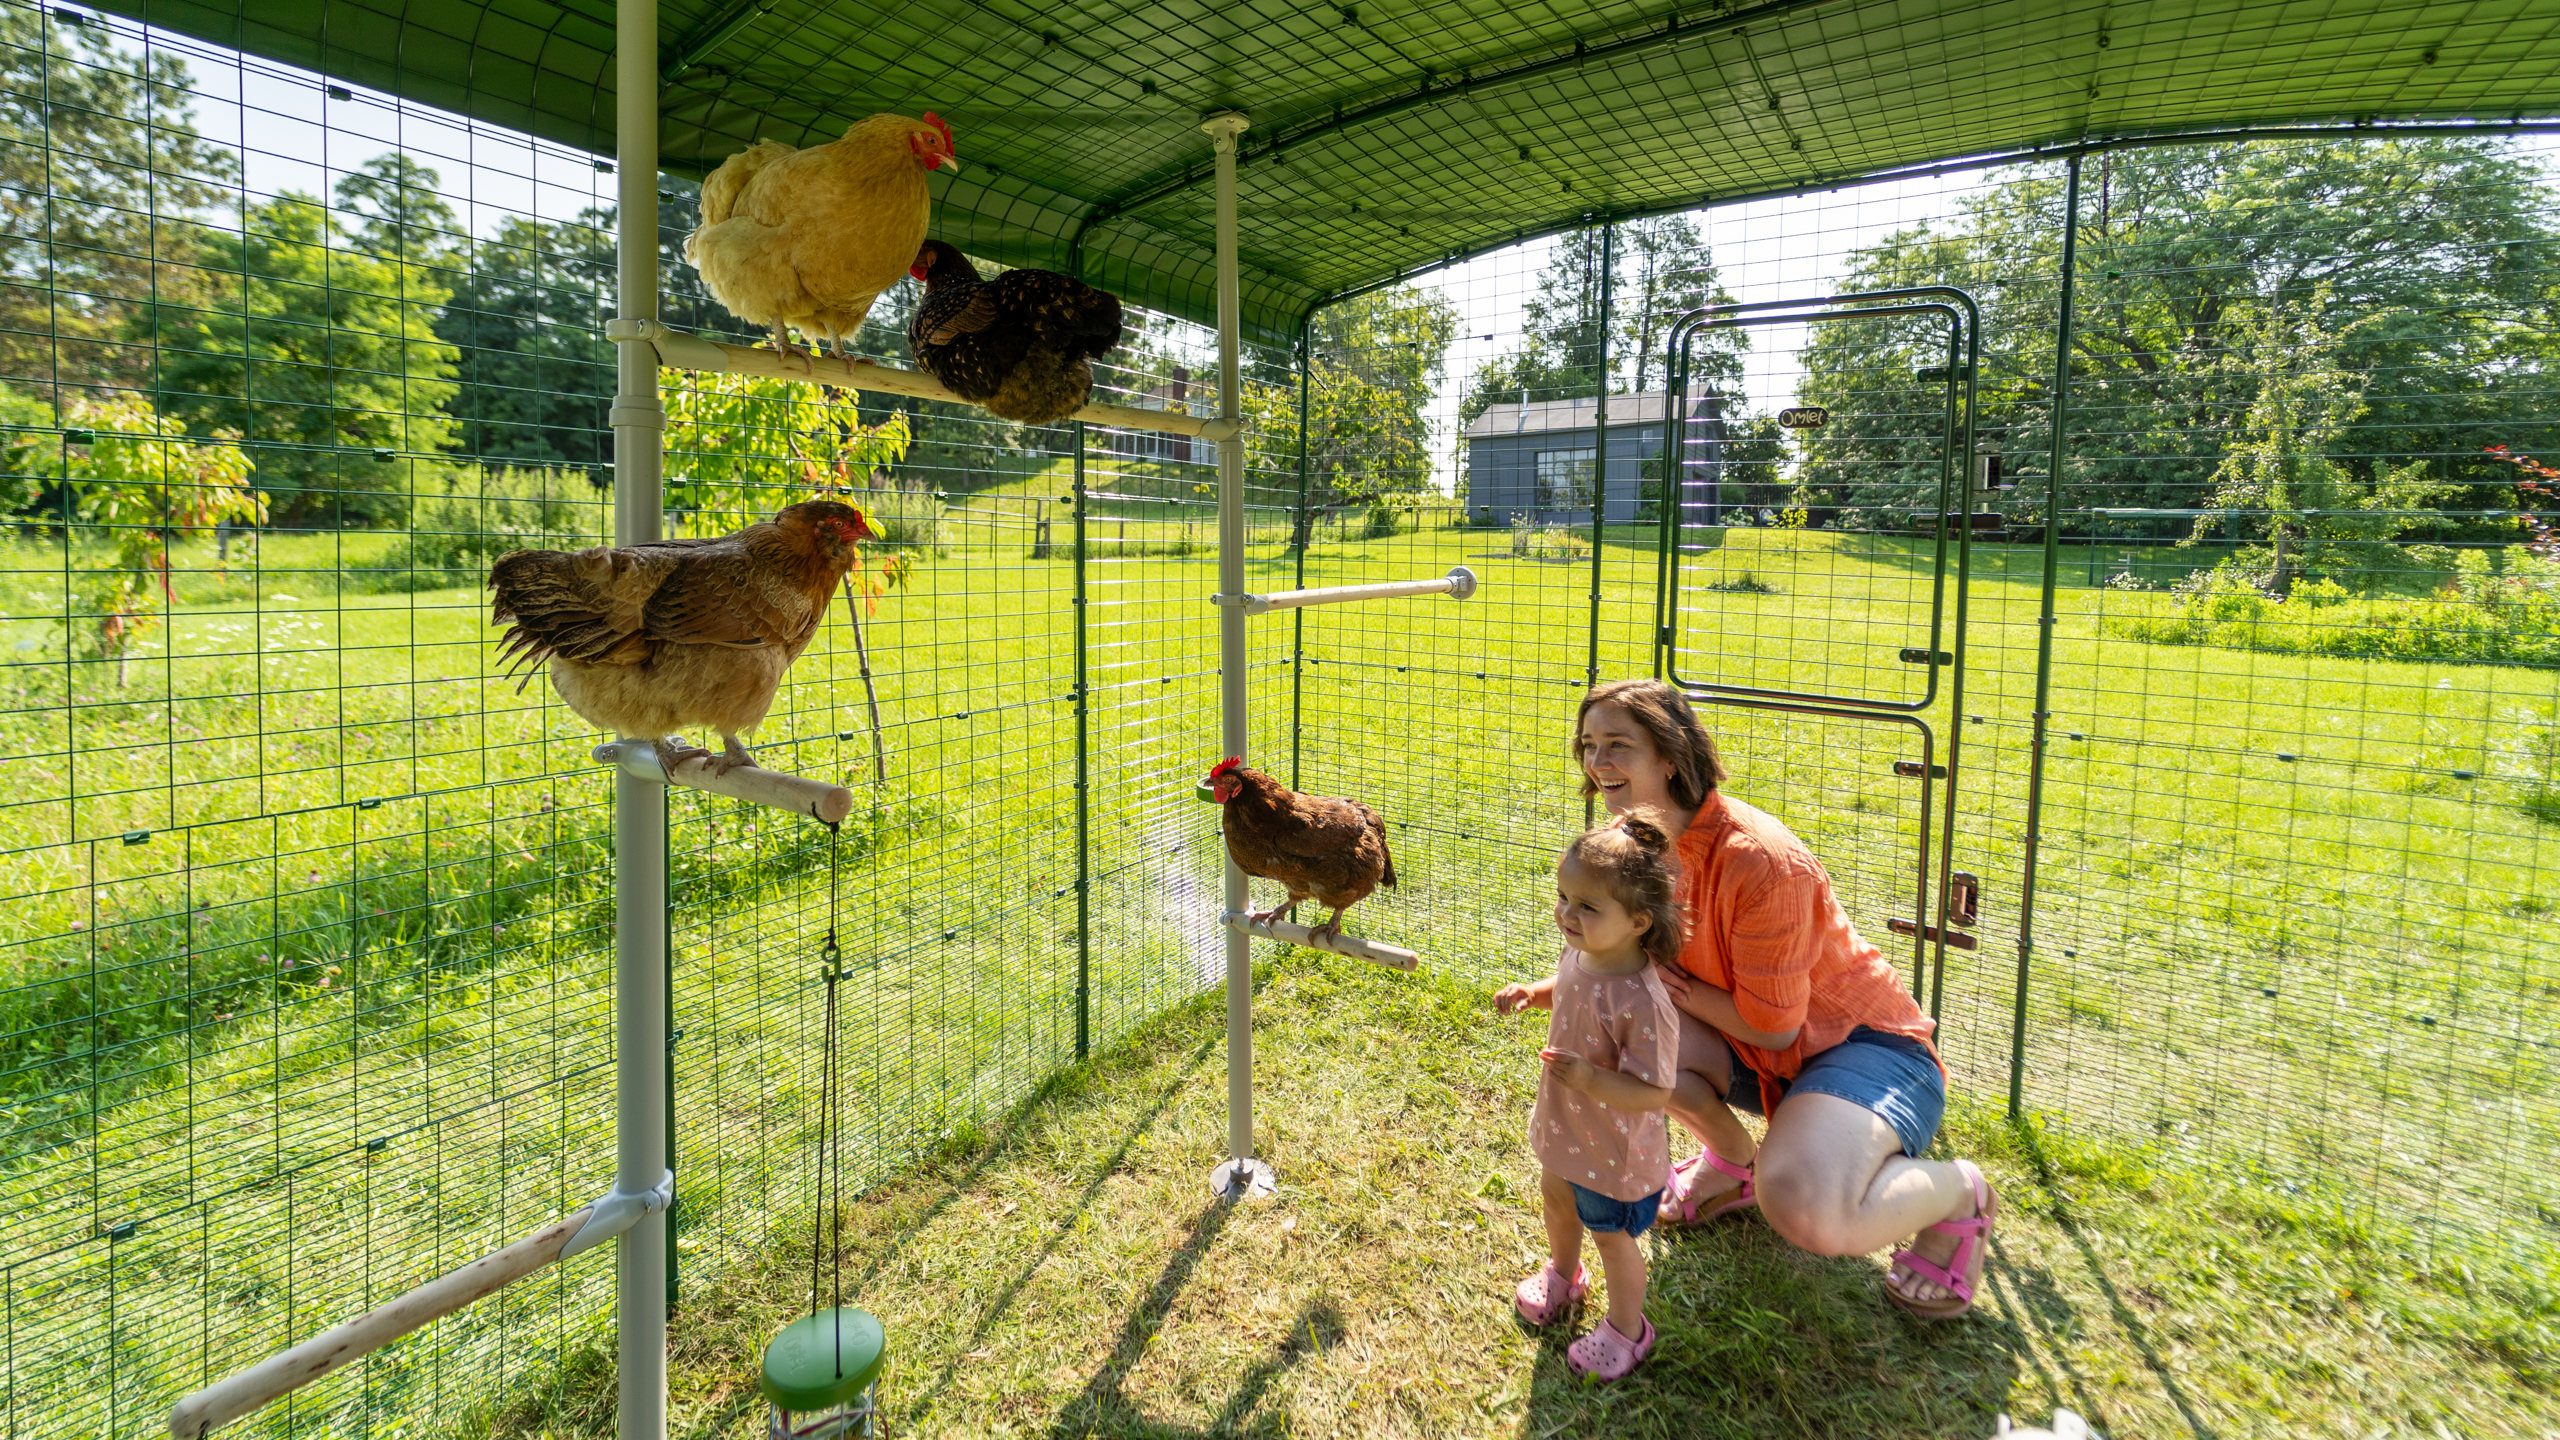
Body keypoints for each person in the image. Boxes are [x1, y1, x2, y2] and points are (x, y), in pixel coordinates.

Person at [1522, 677, 1996, 1318]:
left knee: (1803, 1206)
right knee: (1613, 1046)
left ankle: (1958, 1194)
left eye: (1618, 745)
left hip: (1862, 1049)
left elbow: (1773, 1028)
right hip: (1753, 1048)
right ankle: (1731, 1164)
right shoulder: (1631, 841)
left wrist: (1668, 988)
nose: (1598, 762)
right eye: (1588, 745)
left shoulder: (1760, 860)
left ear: (1671, 755)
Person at [1494, 812, 1683, 1380]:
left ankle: (1628, 1330)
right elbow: (1570, 987)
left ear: (1638, 922)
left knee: (1611, 1237)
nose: (1567, 915)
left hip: (1612, 1149)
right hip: (1566, 1126)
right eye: (1564, 898)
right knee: (1556, 1200)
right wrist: (1535, 992)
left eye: (1587, 907)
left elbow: (1655, 1091)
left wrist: (1592, 1079)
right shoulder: (1582, 954)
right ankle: (1563, 1276)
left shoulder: (1644, 1001)